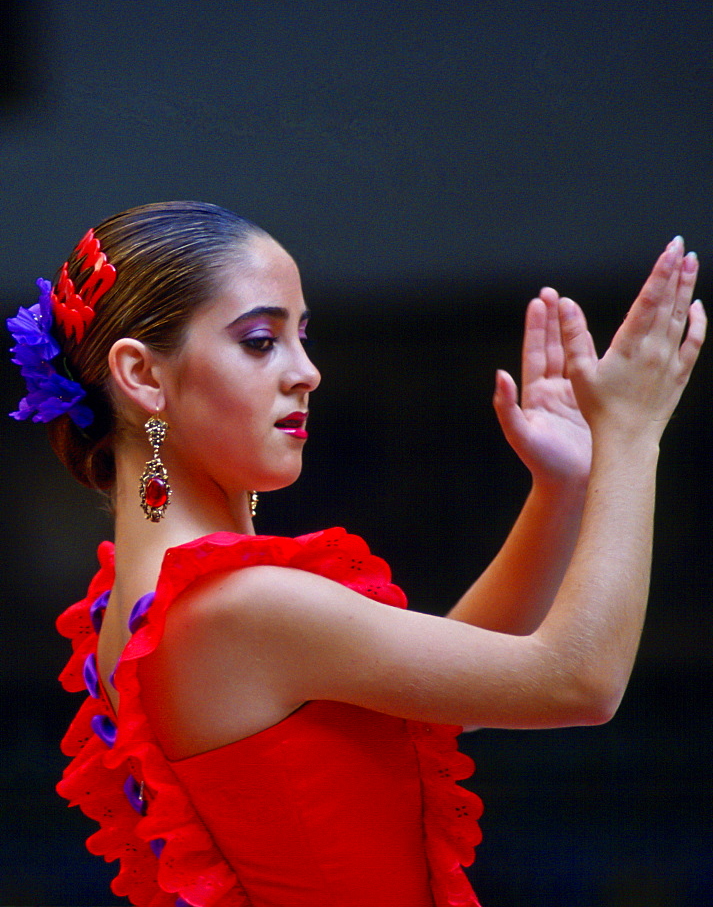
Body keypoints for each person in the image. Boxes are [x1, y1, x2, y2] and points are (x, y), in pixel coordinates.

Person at [7, 201, 705, 907]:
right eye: (259, 340)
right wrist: (632, 438)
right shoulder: (236, 605)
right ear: (142, 375)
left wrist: (563, 490)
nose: (306, 372)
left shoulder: (146, 601)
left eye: (302, 337)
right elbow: (579, 684)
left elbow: (451, 684)